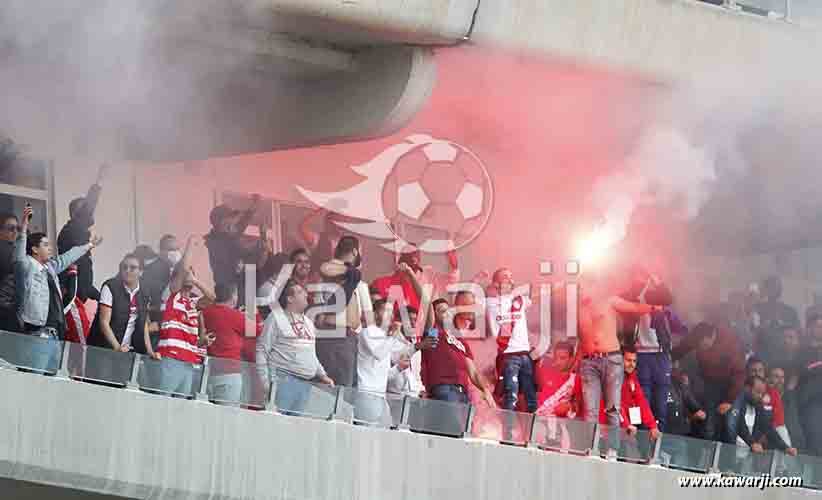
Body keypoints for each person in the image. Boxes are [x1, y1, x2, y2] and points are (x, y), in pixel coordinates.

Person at [574, 270, 662, 457]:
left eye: (583, 286)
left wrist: (653, 308)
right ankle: (592, 449)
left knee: (612, 407)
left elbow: (633, 307)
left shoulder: (608, 300)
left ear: (592, 286)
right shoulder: (580, 308)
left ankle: (612, 450)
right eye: (579, 286)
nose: (580, 290)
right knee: (591, 410)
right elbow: (582, 338)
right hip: (589, 362)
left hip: (611, 359)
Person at [14, 205, 102, 372]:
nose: (50, 248)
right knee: (36, 382)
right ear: (34, 249)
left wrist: (89, 245)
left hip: (54, 335)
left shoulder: (50, 268)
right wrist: (24, 226)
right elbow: (18, 256)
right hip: (36, 337)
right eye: (45, 245)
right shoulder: (26, 267)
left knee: (50, 386)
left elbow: (67, 257)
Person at [256, 279, 334, 416]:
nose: (305, 294)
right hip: (282, 380)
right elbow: (262, 350)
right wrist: (265, 383)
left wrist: (322, 374)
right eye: (300, 292)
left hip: (305, 384)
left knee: (293, 429)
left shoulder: (309, 322)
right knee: (276, 427)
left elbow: (311, 354)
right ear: (290, 298)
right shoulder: (276, 317)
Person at [418, 297, 494, 436]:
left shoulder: (461, 341)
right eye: (441, 311)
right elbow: (428, 309)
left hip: (463, 395)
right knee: (452, 432)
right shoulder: (434, 332)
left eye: (448, 311)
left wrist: (485, 390)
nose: (446, 314)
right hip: (444, 389)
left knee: (461, 434)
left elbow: (473, 372)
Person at [152, 236, 216, 397]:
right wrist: (189, 247)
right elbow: (181, 271)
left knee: (180, 407)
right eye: (187, 274)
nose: (189, 276)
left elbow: (211, 298)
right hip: (171, 359)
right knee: (163, 403)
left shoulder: (193, 302)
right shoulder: (172, 296)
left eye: (192, 274)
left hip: (189, 362)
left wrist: (196, 280)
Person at [618, 267, 679, 432]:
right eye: (639, 276)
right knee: (639, 400)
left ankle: (657, 447)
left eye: (645, 276)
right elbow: (624, 302)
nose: (643, 280)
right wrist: (639, 287)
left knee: (661, 404)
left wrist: (657, 282)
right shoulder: (630, 297)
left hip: (660, 354)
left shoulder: (657, 295)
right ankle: (640, 442)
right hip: (640, 354)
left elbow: (668, 298)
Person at [672, 322, 747, 440]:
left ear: (712, 337)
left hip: (732, 387)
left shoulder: (730, 344)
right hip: (710, 384)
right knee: (708, 425)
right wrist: (667, 357)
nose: (701, 348)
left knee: (730, 425)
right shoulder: (697, 337)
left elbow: (739, 374)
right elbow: (681, 349)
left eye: (704, 345)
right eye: (698, 346)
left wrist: (729, 400)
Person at [485, 267, 544, 414]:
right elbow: (467, 301)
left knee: (531, 397)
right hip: (508, 356)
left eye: (511, 276)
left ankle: (532, 433)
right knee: (511, 395)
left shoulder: (519, 300)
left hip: (525, 355)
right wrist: (477, 281)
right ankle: (508, 432)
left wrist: (555, 286)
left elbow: (538, 295)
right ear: (496, 283)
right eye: (505, 276)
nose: (510, 279)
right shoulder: (489, 302)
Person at [314, 236, 368, 387]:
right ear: (355, 251)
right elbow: (326, 269)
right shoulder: (334, 269)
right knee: (339, 392)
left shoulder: (348, 273)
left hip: (346, 337)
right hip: (336, 337)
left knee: (346, 390)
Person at [355, 299, 417, 425]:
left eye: (391, 312)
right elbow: (379, 353)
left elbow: (400, 355)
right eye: (386, 310)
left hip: (381, 395)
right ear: (375, 313)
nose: (390, 315)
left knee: (384, 433)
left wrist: (417, 346)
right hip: (366, 393)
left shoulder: (386, 337)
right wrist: (393, 335)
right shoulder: (368, 332)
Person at [202, 283, 263, 405]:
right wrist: (254, 313)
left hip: (209, 373)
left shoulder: (206, 312)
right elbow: (257, 330)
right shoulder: (235, 316)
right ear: (233, 296)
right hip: (229, 373)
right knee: (227, 417)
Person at [57, 163, 109, 302]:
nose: (90, 212)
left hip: (82, 290)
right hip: (74, 293)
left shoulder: (76, 231)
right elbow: (90, 204)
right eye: (84, 209)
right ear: (76, 214)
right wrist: (99, 181)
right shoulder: (72, 229)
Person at [204, 195, 261, 304]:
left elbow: (242, 224)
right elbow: (245, 253)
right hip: (229, 293)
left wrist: (253, 207)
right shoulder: (218, 242)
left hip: (237, 289)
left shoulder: (225, 235)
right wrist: (259, 244)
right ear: (221, 222)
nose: (234, 220)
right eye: (230, 218)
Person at [370, 244, 460, 312]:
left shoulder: (429, 274)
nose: (413, 259)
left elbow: (452, 280)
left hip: (427, 321)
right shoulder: (389, 281)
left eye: (415, 254)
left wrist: (454, 264)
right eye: (409, 255)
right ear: (402, 259)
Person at [724, 376, 797, 456]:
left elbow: (768, 429)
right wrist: (752, 443)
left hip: (746, 456)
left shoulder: (759, 408)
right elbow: (740, 425)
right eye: (758, 392)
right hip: (728, 453)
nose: (760, 396)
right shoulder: (736, 402)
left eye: (762, 393)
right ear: (747, 388)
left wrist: (785, 447)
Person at [746, 357, 791, 447]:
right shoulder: (741, 389)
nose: (757, 373)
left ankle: (784, 460)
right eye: (753, 371)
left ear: (764, 373)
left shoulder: (773, 393)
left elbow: (778, 421)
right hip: (747, 426)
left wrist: (765, 434)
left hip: (768, 428)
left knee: (782, 432)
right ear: (747, 372)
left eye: (760, 370)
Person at [753, 276, 800, 361]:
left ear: (780, 290)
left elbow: (797, 334)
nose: (773, 290)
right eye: (770, 287)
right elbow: (752, 331)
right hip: (763, 355)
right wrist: (762, 327)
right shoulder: (757, 309)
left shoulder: (790, 311)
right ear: (765, 289)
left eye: (775, 287)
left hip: (786, 356)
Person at [795, 320, 822, 456]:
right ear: (810, 328)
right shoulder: (803, 350)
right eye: (818, 326)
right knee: (814, 441)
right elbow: (801, 370)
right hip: (810, 402)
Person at [142, 235, 180, 327]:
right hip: (159, 318)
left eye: (176, 249)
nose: (175, 253)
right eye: (171, 249)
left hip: (180, 319)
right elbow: (148, 297)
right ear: (161, 251)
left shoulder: (183, 269)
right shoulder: (150, 270)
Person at [768, 366, 806, 452]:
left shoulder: (791, 397)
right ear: (769, 378)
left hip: (796, 445)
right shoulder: (764, 397)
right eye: (776, 376)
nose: (780, 380)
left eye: (782, 377)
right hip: (773, 446)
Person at [0, 212, 21, 332]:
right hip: (5, 312)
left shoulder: (14, 249)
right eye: (11, 228)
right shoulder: (7, 250)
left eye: (18, 228)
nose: (15, 232)